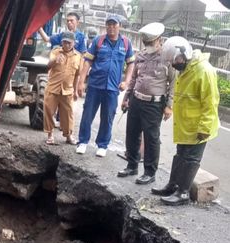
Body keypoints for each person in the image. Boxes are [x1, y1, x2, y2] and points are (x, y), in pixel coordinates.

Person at [152, 36, 219, 205]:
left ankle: (183, 193)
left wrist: (204, 127)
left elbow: (210, 103)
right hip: (184, 125)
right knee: (181, 155)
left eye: (175, 60)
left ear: (185, 53)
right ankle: (173, 185)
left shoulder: (204, 71)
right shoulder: (186, 69)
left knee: (191, 159)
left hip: (198, 127)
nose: (174, 64)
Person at [117, 23, 176, 185]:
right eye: (146, 43)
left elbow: (174, 83)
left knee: (151, 138)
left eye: (150, 43)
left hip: (154, 104)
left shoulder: (168, 58)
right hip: (136, 99)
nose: (148, 46)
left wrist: (169, 106)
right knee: (132, 134)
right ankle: (132, 165)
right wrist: (126, 97)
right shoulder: (141, 55)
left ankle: (150, 172)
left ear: (159, 40)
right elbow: (134, 78)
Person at [76, 15, 135, 157]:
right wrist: (81, 82)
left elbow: (131, 63)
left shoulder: (126, 43)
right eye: (108, 24)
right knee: (87, 114)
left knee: (108, 116)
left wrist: (126, 81)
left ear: (119, 26)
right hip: (95, 85)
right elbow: (87, 62)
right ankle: (82, 142)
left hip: (113, 88)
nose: (111, 27)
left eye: (114, 24)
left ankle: (102, 145)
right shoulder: (99, 40)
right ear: (106, 26)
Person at [43, 31, 82, 145]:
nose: (67, 45)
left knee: (68, 113)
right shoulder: (55, 51)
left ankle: (68, 136)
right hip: (53, 88)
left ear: (74, 43)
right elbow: (48, 66)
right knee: (49, 111)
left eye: (69, 43)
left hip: (67, 90)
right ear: (61, 42)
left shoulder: (78, 56)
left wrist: (75, 90)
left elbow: (77, 75)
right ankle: (50, 134)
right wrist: (55, 60)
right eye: (64, 42)